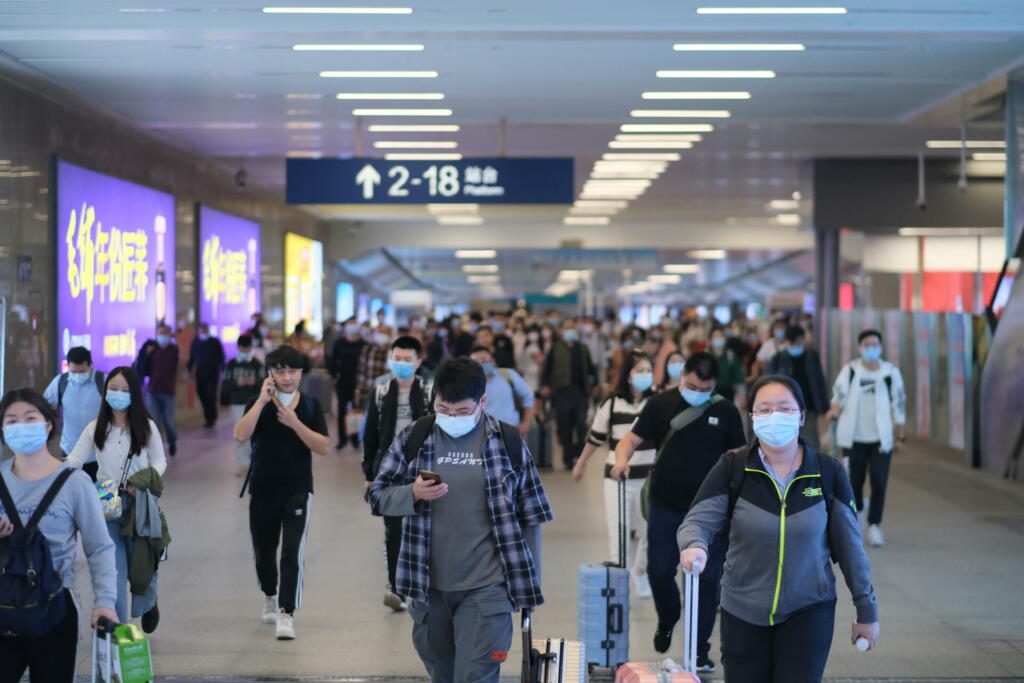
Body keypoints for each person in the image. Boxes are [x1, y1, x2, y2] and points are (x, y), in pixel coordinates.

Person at [679, 375, 880, 683]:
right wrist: (695, 544)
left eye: (784, 408)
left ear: (801, 416)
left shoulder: (828, 473)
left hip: (810, 609)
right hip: (742, 610)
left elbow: (850, 548)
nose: (774, 416)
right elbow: (698, 519)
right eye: (764, 409)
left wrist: (866, 610)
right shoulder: (732, 468)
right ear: (752, 418)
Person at [366, 357, 553, 683]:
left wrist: (529, 585)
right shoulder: (417, 436)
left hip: (487, 588)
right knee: (444, 675)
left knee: (475, 676)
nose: (452, 418)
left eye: (463, 411)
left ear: (482, 401)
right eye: (444, 409)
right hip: (428, 589)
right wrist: (412, 493)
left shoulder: (507, 442)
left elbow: (531, 517)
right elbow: (377, 495)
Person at [611, 352, 746, 672]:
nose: (698, 392)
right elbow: (629, 439)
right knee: (659, 571)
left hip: (711, 511)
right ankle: (668, 617)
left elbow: (737, 455)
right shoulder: (659, 404)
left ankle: (699, 649)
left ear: (715, 385)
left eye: (706, 387)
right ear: (682, 374)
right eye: (692, 385)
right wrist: (621, 460)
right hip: (665, 504)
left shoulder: (725, 410)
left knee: (707, 581)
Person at [0, 388, 118, 683]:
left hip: (54, 610)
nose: (20, 426)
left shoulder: (75, 482)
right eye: (11, 421)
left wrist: (105, 601)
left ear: (48, 424)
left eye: (29, 418)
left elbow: (99, 547)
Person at [234, 345, 330, 640]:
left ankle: (287, 613)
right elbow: (240, 434)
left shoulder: (311, 405)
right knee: (264, 552)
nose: (286, 377)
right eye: (280, 370)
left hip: (298, 490)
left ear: (301, 373)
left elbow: (323, 446)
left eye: (292, 370)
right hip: (262, 489)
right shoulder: (257, 402)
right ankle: (269, 595)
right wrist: (261, 403)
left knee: (291, 552)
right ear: (270, 374)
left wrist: (295, 422)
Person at [66, 367, 167, 632]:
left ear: (134, 393)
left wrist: (143, 480)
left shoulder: (146, 426)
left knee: (142, 567)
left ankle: (148, 602)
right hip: (106, 496)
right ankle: (120, 629)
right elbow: (75, 461)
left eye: (125, 389)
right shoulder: (95, 427)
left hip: (141, 501)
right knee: (115, 572)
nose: (118, 394)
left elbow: (159, 461)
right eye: (113, 388)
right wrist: (48, 473)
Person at [572, 350, 656, 598]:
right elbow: (595, 437)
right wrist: (581, 462)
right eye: (640, 370)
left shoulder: (657, 402)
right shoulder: (611, 403)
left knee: (650, 532)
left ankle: (640, 573)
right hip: (617, 479)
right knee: (619, 534)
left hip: (649, 480)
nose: (645, 375)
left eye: (648, 370)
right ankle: (619, 583)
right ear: (628, 375)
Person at [362, 335, 433, 612]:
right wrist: (369, 474)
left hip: (421, 468)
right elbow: (369, 436)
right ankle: (396, 587)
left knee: (423, 527)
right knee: (393, 530)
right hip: (390, 469)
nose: (401, 364)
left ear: (418, 361)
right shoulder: (380, 393)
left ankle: (421, 583)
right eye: (397, 359)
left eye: (407, 360)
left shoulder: (428, 392)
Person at [826, 329, 907, 548]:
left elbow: (898, 403)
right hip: (853, 439)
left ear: (880, 347)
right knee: (854, 483)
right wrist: (833, 411)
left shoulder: (890, 372)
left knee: (879, 481)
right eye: (867, 344)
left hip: (881, 440)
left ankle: (874, 526)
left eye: (875, 344)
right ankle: (859, 509)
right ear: (860, 347)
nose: (871, 348)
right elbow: (838, 395)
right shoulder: (851, 370)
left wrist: (901, 435)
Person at [541, 319, 596, 469]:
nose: (570, 330)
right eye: (567, 328)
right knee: (565, 427)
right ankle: (568, 458)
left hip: (580, 392)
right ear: (560, 331)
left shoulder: (582, 348)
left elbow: (591, 370)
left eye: (572, 328)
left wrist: (593, 386)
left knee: (581, 425)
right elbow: (547, 369)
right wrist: (545, 385)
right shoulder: (555, 348)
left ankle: (579, 456)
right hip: (561, 393)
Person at [43, 346, 105, 479]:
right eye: (73, 371)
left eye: (81, 371)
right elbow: (44, 408)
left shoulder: (103, 382)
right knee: (72, 496)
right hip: (70, 453)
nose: (77, 375)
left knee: (106, 497)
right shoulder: (60, 382)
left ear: (90, 365)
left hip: (102, 454)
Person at [767, 325, 829, 450]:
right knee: (787, 440)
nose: (798, 343)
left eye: (800, 340)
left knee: (811, 441)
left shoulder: (812, 356)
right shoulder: (778, 358)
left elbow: (819, 381)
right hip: (785, 408)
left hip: (808, 406)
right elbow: (770, 384)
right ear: (788, 341)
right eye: (795, 340)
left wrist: (824, 406)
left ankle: (810, 466)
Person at [221, 335, 265, 475]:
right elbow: (225, 385)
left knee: (257, 433)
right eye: (242, 348)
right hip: (237, 402)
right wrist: (236, 383)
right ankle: (244, 464)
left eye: (247, 348)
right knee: (241, 433)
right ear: (238, 347)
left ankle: (257, 462)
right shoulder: (231, 364)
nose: (245, 351)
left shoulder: (257, 364)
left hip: (255, 402)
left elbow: (265, 382)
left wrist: (256, 382)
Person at [469, 346, 534, 437]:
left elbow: (528, 397)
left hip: (512, 431)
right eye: (476, 362)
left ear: (492, 360)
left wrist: (525, 423)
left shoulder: (508, 375)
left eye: (484, 360)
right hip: (482, 435)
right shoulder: (468, 383)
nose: (480, 364)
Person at [331, 318, 367, 450]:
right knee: (341, 410)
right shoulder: (339, 343)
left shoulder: (363, 344)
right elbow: (332, 360)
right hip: (342, 381)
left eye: (354, 323)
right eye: (350, 324)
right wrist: (334, 375)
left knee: (357, 410)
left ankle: (355, 439)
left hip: (358, 383)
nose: (352, 326)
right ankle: (342, 439)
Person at [144, 324, 179, 456]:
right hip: (153, 390)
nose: (162, 335)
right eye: (160, 333)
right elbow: (144, 368)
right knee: (155, 422)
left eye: (165, 333)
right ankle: (157, 448)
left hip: (169, 391)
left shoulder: (174, 350)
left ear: (170, 335)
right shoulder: (152, 350)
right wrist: (147, 354)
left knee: (169, 421)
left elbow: (182, 359)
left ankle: (172, 441)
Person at [187, 323, 226, 428]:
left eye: (205, 330)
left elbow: (221, 356)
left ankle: (211, 418)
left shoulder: (215, 341)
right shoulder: (196, 342)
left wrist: (223, 368)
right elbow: (192, 357)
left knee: (212, 396)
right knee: (202, 394)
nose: (203, 332)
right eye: (201, 330)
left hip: (213, 373)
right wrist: (189, 369)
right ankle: (207, 415)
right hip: (200, 373)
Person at [355, 325, 393, 413]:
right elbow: (361, 373)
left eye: (384, 333)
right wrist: (358, 392)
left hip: (387, 393)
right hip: (369, 392)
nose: (381, 335)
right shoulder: (367, 350)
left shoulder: (393, 351)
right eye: (379, 332)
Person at [709, 328, 746, 403]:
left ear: (725, 339)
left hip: (728, 394)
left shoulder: (730, 355)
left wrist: (742, 394)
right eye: (715, 336)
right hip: (708, 393)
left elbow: (739, 376)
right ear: (710, 340)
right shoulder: (705, 355)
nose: (718, 339)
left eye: (720, 336)